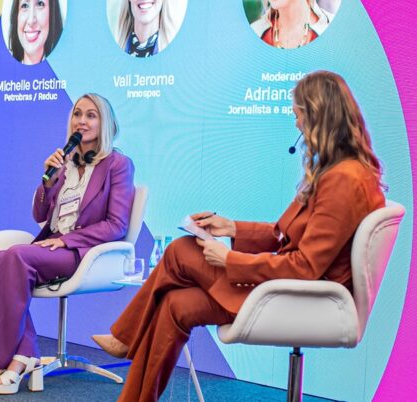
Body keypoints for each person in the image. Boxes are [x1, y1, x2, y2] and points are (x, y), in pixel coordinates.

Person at [93, 71, 387, 401]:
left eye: (299, 114)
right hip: (291, 286)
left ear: (319, 114)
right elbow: (282, 234)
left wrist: (230, 259)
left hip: (304, 296)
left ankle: (125, 337)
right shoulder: (338, 172)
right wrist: (230, 227)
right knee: (176, 304)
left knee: (179, 251)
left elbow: (305, 267)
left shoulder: (344, 179)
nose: (296, 125)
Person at [0, 93, 135, 395]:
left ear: (105, 123)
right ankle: (24, 352)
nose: (82, 120)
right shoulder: (65, 162)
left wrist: (67, 240)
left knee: (16, 256)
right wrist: (48, 181)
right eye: (78, 114)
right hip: (50, 246)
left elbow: (116, 225)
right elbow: (40, 215)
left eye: (91, 115)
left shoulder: (117, 165)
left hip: (81, 253)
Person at [8, 0, 64, 65]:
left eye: (40, 4)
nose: (31, 20)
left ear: (52, 12)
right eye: (24, 5)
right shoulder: (3, 75)